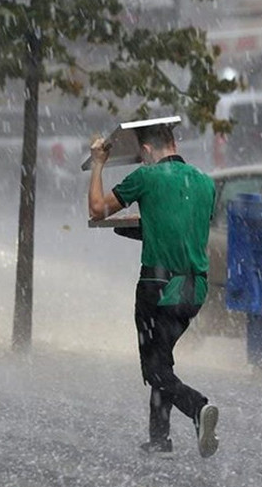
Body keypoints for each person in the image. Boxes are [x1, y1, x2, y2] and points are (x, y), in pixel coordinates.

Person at [87, 123, 219, 458]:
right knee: (163, 359)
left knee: (155, 369)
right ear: (174, 142)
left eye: (141, 155)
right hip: (194, 290)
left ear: (146, 151)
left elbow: (97, 209)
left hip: (157, 287)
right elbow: (182, 229)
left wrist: (99, 163)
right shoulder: (205, 182)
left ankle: (197, 407)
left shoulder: (146, 178)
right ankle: (159, 439)